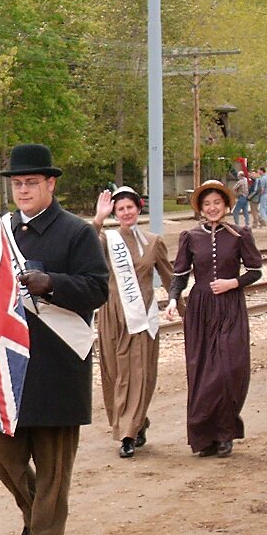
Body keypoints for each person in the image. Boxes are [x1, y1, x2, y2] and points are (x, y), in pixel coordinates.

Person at [0, 144, 108, 535]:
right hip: (8, 368)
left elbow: (98, 289)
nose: (22, 190)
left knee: (55, 467)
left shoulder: (77, 233)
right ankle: (35, 516)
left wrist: (51, 283)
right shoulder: (0, 231)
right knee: (1, 455)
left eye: (31, 183)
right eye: (17, 184)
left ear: (50, 184)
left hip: (57, 364)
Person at [166, 180, 262, 458]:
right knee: (203, 371)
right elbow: (180, 274)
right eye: (207, 204)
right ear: (201, 208)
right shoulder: (190, 236)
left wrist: (234, 283)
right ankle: (206, 436)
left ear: (226, 205)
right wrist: (173, 299)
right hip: (201, 309)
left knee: (229, 370)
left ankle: (225, 430)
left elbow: (255, 270)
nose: (212, 208)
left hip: (230, 306)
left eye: (216, 203)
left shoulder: (240, 234)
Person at [92, 187, 174, 458]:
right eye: (120, 209)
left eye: (130, 207)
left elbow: (170, 277)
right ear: (115, 212)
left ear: (139, 208)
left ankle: (127, 435)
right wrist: (98, 219)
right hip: (111, 315)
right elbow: (83, 250)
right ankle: (136, 422)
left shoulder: (153, 241)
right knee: (115, 375)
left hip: (141, 318)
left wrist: (179, 304)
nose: (126, 213)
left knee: (136, 375)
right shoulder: (107, 239)